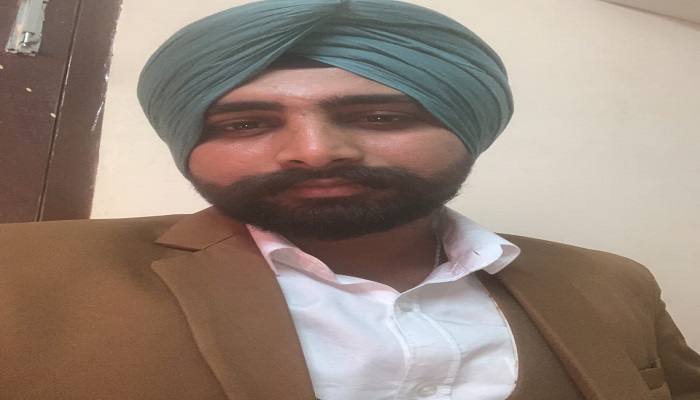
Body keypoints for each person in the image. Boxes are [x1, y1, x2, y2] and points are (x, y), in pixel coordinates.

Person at [1, 0, 698, 399]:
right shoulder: (21, 274)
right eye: (245, 124)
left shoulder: (610, 283)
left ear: (469, 128)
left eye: (380, 117)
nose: (314, 151)